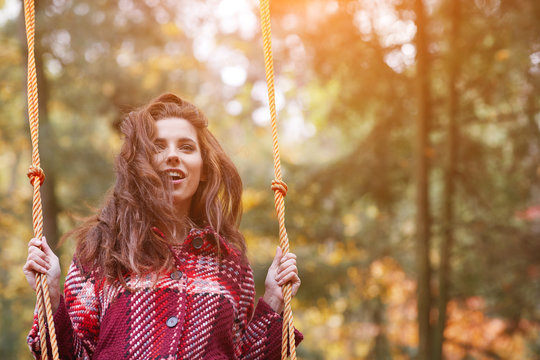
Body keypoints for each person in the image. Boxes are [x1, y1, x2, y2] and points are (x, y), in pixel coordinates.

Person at [23, 93, 302, 359]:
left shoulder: (229, 262)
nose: (172, 155)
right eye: (158, 146)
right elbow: (71, 354)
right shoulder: (102, 250)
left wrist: (275, 301)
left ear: (203, 168)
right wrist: (50, 297)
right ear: (141, 164)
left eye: (186, 147)